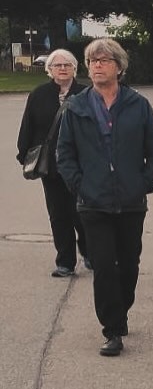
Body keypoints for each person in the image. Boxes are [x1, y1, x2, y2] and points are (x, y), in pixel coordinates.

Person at [57, 38, 153, 357]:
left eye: (104, 60)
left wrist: (144, 183)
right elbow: (65, 153)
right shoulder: (76, 107)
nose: (97, 66)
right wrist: (80, 185)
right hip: (93, 203)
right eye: (92, 61)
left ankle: (121, 310)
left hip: (131, 202)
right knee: (104, 266)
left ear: (119, 67)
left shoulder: (138, 104)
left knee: (129, 264)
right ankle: (112, 329)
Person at [16, 49, 89, 276]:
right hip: (51, 167)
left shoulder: (86, 93)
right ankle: (65, 262)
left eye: (67, 65)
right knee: (58, 215)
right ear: (50, 70)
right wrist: (24, 153)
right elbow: (28, 125)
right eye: (57, 65)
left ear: (75, 68)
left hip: (81, 165)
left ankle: (90, 252)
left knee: (82, 213)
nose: (62, 68)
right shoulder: (39, 94)